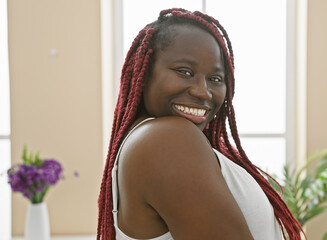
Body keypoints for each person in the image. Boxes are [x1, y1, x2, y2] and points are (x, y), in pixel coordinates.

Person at [97, 8, 303, 240]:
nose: (202, 92)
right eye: (184, 72)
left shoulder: (162, 139)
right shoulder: (167, 140)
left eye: (215, 79)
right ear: (143, 74)